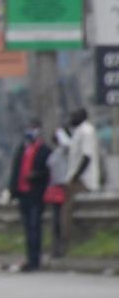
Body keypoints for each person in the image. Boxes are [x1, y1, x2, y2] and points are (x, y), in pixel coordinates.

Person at [8, 119, 51, 272]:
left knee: (35, 227)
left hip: (36, 194)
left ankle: (35, 260)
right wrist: (12, 191)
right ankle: (29, 258)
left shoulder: (44, 150)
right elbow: (15, 171)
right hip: (22, 194)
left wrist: (36, 176)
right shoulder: (22, 149)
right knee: (27, 228)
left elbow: (48, 172)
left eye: (33, 129)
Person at [61, 107, 101, 254]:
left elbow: (86, 156)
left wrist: (75, 177)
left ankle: (69, 243)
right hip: (75, 178)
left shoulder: (87, 131)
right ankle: (71, 241)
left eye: (74, 115)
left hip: (82, 180)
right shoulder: (78, 132)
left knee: (68, 210)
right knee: (68, 211)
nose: (71, 118)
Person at [44, 128, 71, 259]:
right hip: (54, 188)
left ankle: (62, 248)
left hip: (63, 186)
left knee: (61, 220)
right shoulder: (54, 152)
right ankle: (55, 248)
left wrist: (61, 132)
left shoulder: (64, 151)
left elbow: (67, 144)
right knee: (55, 221)